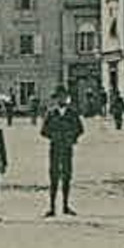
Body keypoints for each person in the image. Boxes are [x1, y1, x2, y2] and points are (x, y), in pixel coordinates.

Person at [40, 86, 84, 217]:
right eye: (59, 96)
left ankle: (65, 206)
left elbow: (80, 129)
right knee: (53, 177)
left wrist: (72, 138)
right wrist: (54, 136)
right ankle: (52, 208)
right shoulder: (51, 113)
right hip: (54, 148)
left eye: (64, 96)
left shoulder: (72, 113)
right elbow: (43, 131)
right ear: (56, 98)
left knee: (66, 176)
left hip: (67, 148)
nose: (62, 98)